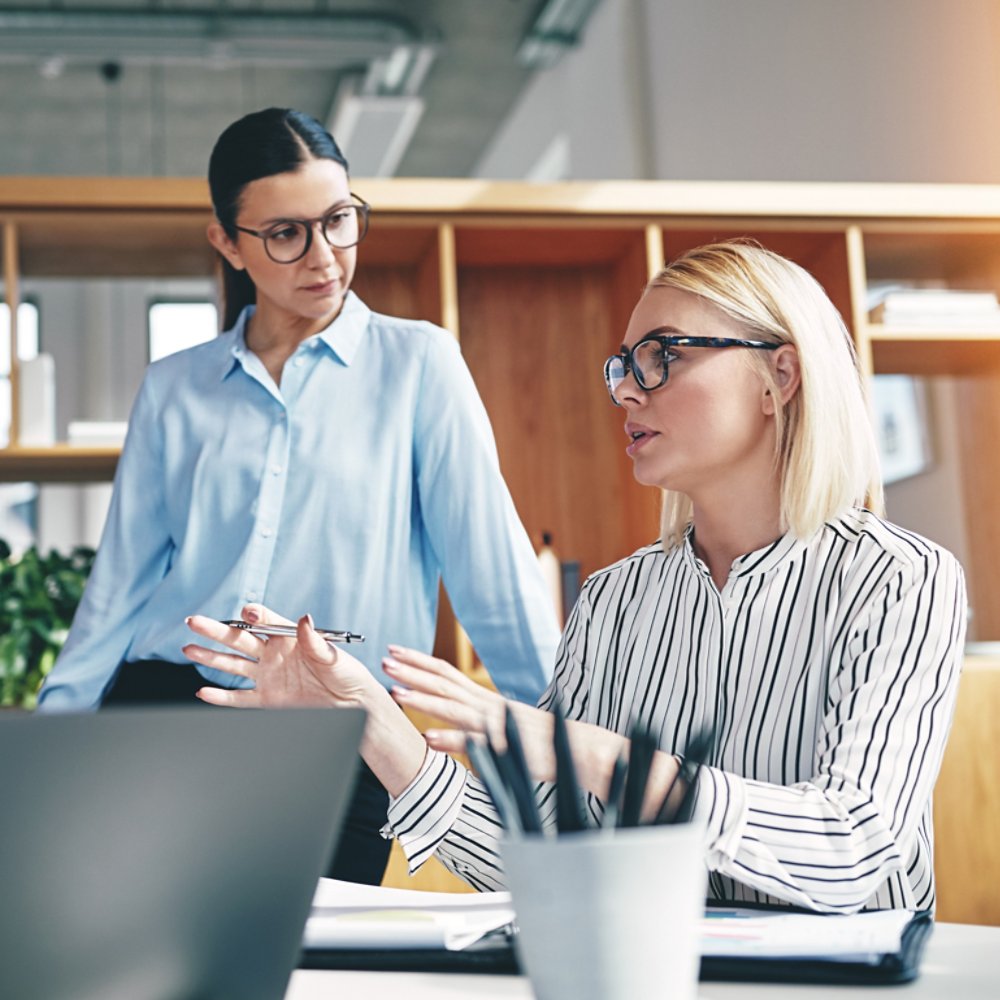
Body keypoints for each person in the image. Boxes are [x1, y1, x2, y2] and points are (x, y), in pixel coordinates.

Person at [185, 240, 967, 913]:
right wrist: (375, 728)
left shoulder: (902, 579)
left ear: (780, 377)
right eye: (623, 365)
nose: (626, 389)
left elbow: (857, 846)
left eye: (663, 356)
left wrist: (588, 753)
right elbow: (548, 865)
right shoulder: (615, 600)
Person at [37, 107, 560, 884]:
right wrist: (49, 755)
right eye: (286, 233)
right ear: (227, 242)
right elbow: (117, 590)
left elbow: (495, 579)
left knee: (307, 969)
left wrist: (570, 753)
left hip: (336, 726)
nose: (325, 257)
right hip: (162, 710)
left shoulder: (418, 364)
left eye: (340, 221)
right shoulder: (173, 388)